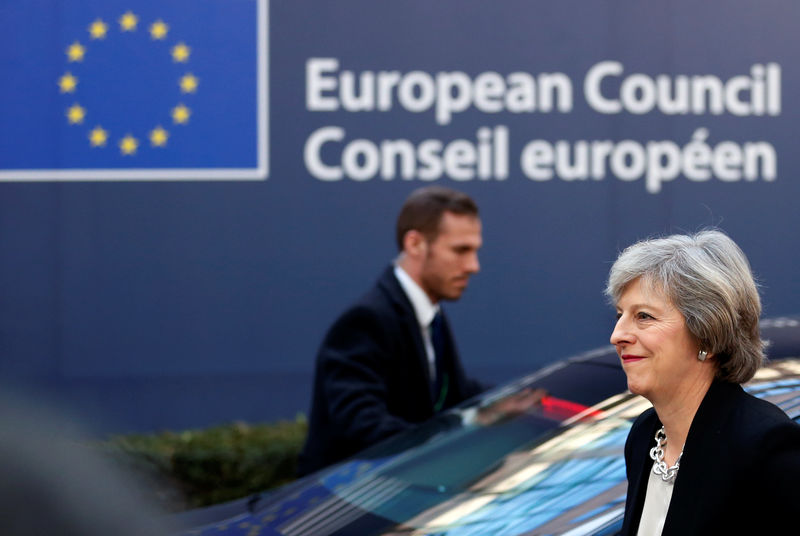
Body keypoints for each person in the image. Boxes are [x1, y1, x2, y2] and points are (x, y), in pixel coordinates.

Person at [606, 230, 800, 535]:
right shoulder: (645, 434)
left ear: (707, 335)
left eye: (644, 316)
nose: (617, 335)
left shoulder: (764, 445)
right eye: (620, 315)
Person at [297, 186, 488, 476]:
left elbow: (454, 394)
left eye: (475, 251)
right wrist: (453, 434)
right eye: (461, 250)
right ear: (415, 244)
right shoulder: (367, 320)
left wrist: (516, 402)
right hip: (347, 507)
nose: (473, 266)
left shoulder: (432, 315)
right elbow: (363, 425)